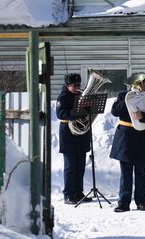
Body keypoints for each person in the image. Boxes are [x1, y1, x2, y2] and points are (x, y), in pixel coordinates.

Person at [110, 72, 145, 212]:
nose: (141, 86)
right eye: (139, 83)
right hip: (126, 137)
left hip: (142, 136)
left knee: (141, 172)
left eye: (143, 83)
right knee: (126, 172)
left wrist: (143, 116)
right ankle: (123, 203)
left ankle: (141, 202)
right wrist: (129, 100)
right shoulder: (124, 95)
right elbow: (115, 111)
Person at [56, 73, 92, 204]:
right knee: (70, 167)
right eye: (74, 85)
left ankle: (78, 192)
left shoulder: (81, 96)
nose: (77, 87)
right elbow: (60, 114)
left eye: (78, 85)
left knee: (80, 166)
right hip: (68, 135)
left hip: (81, 135)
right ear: (67, 85)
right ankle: (68, 194)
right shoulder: (63, 97)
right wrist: (75, 114)